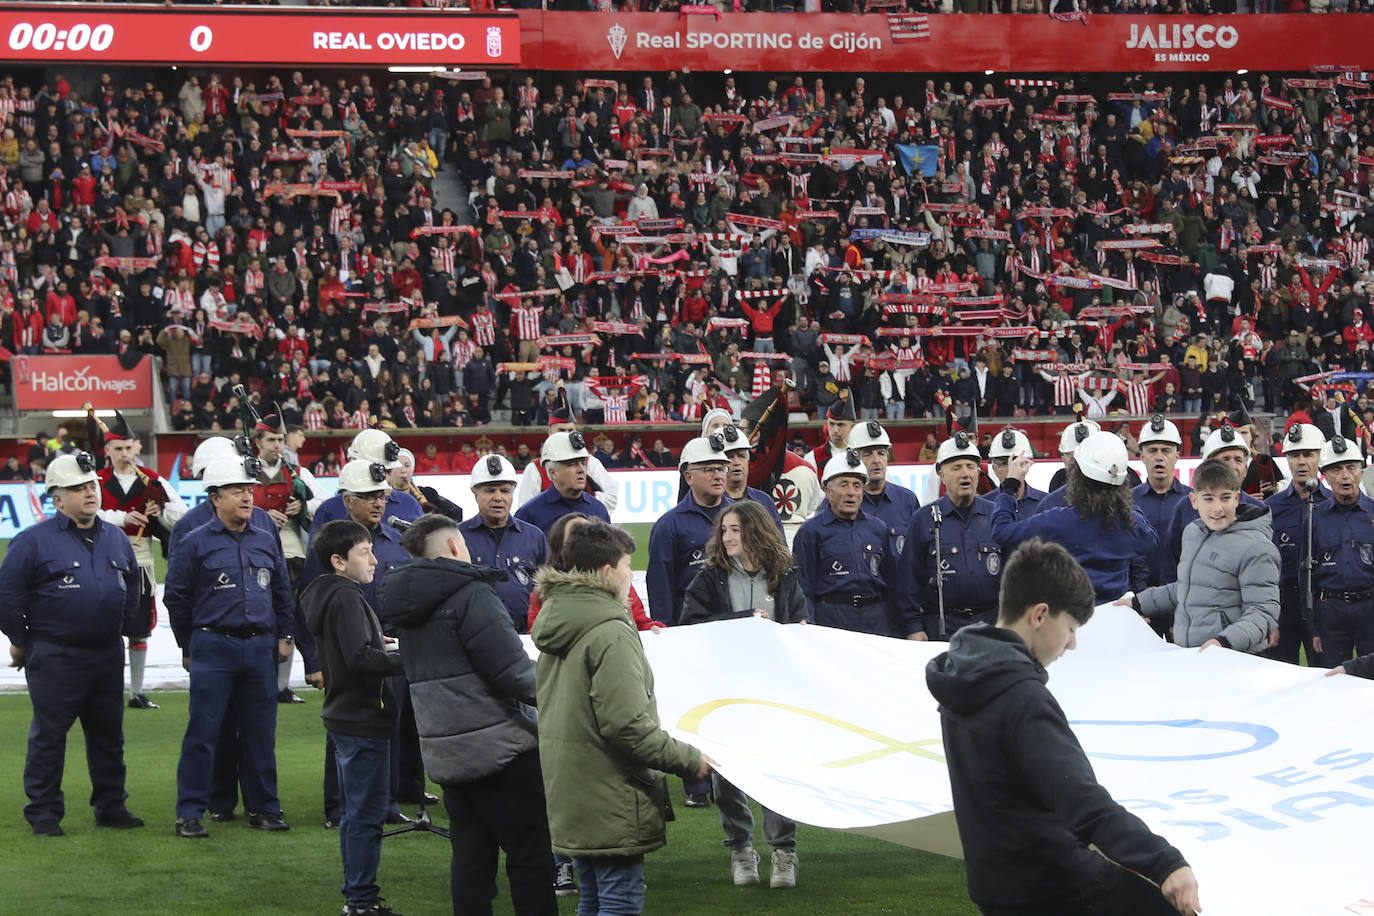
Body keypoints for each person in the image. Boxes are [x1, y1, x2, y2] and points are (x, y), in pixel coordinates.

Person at [926, 538, 1202, 916]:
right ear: (1040, 615)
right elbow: (1082, 802)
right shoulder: (1020, 696)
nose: (1071, 644)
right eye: (1070, 627)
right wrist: (1164, 862)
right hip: (1052, 883)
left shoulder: (961, 671)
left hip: (994, 885)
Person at [531, 520, 713, 916]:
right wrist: (689, 760)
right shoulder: (610, 630)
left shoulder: (558, 619)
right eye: (628, 567)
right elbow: (626, 725)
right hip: (608, 787)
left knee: (595, 896)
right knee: (619, 899)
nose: (631, 578)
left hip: (573, 785)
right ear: (608, 571)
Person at [380, 513, 558, 916]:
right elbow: (513, 673)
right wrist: (566, 696)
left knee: (471, 860)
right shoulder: (473, 596)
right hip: (500, 750)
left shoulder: (408, 608)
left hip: (447, 754)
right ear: (455, 547)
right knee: (530, 855)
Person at [0, 451, 144, 836]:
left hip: (106, 653)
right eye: (78, 488)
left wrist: (124, 623)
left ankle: (111, 806)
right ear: (57, 498)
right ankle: (44, 813)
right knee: (49, 737)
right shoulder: (31, 542)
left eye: (92, 485)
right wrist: (22, 641)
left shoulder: (116, 537)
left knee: (109, 736)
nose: (89, 493)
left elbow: (132, 584)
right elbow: (7, 597)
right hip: (55, 654)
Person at [165, 454, 294, 839]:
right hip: (213, 644)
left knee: (260, 734)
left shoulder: (265, 537)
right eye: (237, 490)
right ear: (214, 497)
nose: (247, 497)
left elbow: (282, 592)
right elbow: (177, 598)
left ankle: (265, 808)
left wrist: (284, 635)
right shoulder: (191, 543)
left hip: (259, 647)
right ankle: (189, 813)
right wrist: (188, 645)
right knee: (202, 733)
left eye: (249, 490)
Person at [681, 499, 805, 889]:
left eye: (736, 529)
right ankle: (741, 848)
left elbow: (799, 621)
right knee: (726, 776)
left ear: (756, 532)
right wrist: (744, 621)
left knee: (777, 770)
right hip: (725, 693)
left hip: (774, 691)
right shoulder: (708, 578)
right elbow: (691, 627)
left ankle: (784, 851)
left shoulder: (784, 576)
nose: (728, 536)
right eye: (725, 530)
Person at [301, 459, 418, 828]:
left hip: (385, 643)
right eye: (367, 496)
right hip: (357, 655)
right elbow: (309, 598)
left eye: (381, 495)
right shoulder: (333, 543)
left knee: (392, 727)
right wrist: (312, 659)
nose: (377, 503)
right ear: (347, 500)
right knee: (348, 734)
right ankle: (341, 809)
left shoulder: (396, 538)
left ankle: (387, 800)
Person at [301, 520, 407, 916]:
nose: (375, 560)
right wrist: (409, 659)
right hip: (362, 719)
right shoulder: (345, 597)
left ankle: (358, 893)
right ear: (338, 561)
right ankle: (362, 900)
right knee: (365, 815)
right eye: (365, 552)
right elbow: (360, 657)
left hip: (345, 716)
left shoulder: (329, 594)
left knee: (354, 814)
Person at [1127, 459, 1280, 652]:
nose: (1217, 508)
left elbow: (1263, 612)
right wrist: (1137, 603)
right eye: (1208, 498)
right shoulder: (1193, 533)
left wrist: (1224, 642)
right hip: (1193, 658)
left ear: (1237, 497)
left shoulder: (1257, 548)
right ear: (1194, 500)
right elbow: (1188, 587)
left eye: (1225, 497)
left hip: (1233, 660)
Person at [993, 432, 1157, 604]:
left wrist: (1010, 485)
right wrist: (1123, 502)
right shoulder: (1129, 523)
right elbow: (1151, 540)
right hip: (1114, 617)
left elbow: (1002, 532)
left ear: (1078, 478)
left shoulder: (1058, 521)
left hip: (1070, 619)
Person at [96, 410, 188, 710]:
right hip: (103, 559)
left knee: (137, 629)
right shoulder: (96, 480)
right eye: (118, 448)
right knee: (104, 628)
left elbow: (181, 515)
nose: (124, 454)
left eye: (128, 447)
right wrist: (121, 517)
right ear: (107, 450)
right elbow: (86, 514)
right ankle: (106, 689)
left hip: (141, 561)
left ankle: (136, 693)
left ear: (136, 447)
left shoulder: (152, 479)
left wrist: (159, 509)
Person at [249, 407, 326, 705]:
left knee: (290, 617)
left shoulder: (298, 474)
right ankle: (262, 681)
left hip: (291, 551)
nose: (278, 445)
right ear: (259, 442)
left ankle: (282, 686)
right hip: (256, 551)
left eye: (280, 440)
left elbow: (323, 502)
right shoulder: (246, 472)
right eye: (271, 440)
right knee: (260, 616)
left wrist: (301, 507)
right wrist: (262, 515)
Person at [899, 432, 1002, 641]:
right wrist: (913, 627)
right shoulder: (923, 519)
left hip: (992, 626)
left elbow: (1015, 575)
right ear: (941, 475)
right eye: (956, 468)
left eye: (971, 467)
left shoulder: (997, 515)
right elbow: (908, 581)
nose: (965, 474)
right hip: (942, 629)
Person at [793, 449, 904, 637]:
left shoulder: (878, 529)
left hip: (876, 622)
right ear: (828, 491)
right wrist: (808, 631)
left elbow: (892, 584)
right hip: (832, 623)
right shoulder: (810, 532)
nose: (851, 492)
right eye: (843, 485)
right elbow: (804, 588)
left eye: (857, 485)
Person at [646, 434, 736, 628]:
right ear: (688, 476)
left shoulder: (744, 516)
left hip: (738, 622)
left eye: (721, 468)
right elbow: (660, 587)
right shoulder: (669, 525)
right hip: (691, 626)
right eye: (709, 469)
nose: (718, 475)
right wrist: (666, 630)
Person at [1160, 423, 1264, 585]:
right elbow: (1170, 567)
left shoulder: (1259, 511)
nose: (1233, 466)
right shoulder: (1185, 508)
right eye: (1225, 459)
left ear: (1245, 467)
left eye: (1238, 459)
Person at [460, 454, 549, 633]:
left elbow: (548, 591)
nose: (498, 497)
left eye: (505, 490)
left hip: (526, 635)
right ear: (475, 493)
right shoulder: (458, 537)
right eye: (490, 490)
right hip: (475, 637)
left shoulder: (534, 536)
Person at [1263, 423, 1328, 664]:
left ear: (1320, 457)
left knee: (1324, 678)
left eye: (1308, 454)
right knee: (1280, 679)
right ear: (1287, 460)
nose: (1301, 462)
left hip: (1321, 604)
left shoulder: (1333, 505)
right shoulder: (1270, 507)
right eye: (1294, 455)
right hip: (1283, 605)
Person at [1309, 435, 1374, 668]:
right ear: (1324, 476)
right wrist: (1315, 628)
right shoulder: (1313, 516)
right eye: (1336, 469)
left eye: (1351, 467)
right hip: (1330, 613)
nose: (1345, 475)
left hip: (1370, 608)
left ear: (1361, 471)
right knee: (1334, 681)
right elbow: (1306, 576)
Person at [515, 394, 620, 515]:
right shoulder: (535, 468)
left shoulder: (590, 462)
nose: (566, 435)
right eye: (561, 430)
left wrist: (588, 507)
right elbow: (526, 509)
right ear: (550, 432)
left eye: (570, 430)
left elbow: (611, 496)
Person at [1131, 417, 1192, 600]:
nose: (1159, 457)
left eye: (1166, 451)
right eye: (1152, 451)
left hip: (1184, 600)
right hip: (1138, 602)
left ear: (1177, 456)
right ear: (1141, 456)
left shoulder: (1194, 501)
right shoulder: (1127, 501)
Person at [514, 431, 612, 530]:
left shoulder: (599, 509)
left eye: (583, 463)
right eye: (572, 464)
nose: (581, 469)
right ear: (553, 473)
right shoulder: (529, 514)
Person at [849, 420, 920, 555]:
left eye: (881, 453)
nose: (876, 460)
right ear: (853, 458)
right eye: (868, 454)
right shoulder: (841, 503)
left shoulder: (907, 500)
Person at [717, 424, 784, 532]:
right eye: (729, 457)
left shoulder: (764, 501)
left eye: (741, 456)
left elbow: (780, 545)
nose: (737, 462)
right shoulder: (710, 502)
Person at [986, 428, 1044, 520]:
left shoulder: (1046, 503)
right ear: (994, 468)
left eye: (1016, 462)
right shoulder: (982, 505)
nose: (1011, 469)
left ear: (1027, 465)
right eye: (1004, 464)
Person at [395, 448, 464, 522]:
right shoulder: (384, 498)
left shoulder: (428, 494)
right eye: (398, 466)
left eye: (407, 466)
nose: (403, 470)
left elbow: (455, 512)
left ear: (412, 470)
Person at [804, 390, 855, 470]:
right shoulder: (812, 458)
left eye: (840, 425)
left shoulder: (863, 454)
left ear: (852, 427)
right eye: (831, 424)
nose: (835, 430)